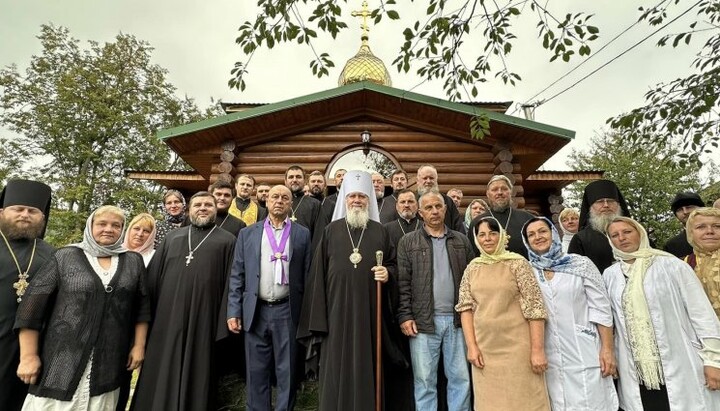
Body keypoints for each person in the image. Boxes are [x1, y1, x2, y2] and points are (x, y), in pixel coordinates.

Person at [16, 206, 149, 410]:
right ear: (90, 225)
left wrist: (138, 346)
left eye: (116, 225)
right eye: (102, 224)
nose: (109, 229)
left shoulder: (133, 261)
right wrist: (28, 356)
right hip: (61, 360)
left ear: (122, 229)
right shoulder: (65, 257)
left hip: (109, 362)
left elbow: (141, 308)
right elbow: (31, 310)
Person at [297, 170, 399, 411]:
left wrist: (388, 274)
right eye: (352, 196)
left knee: (369, 364)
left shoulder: (381, 231)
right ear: (345, 199)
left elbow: (393, 265)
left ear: (369, 201)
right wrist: (318, 320)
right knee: (335, 367)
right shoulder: (330, 231)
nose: (356, 200)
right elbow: (317, 275)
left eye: (362, 197)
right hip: (335, 315)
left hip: (369, 314)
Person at [132, 192, 236, 411]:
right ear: (189, 209)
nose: (203, 208)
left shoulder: (228, 240)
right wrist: (146, 317)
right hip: (165, 319)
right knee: (160, 367)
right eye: (198, 204)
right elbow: (152, 280)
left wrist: (222, 321)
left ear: (215, 209)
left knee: (197, 370)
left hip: (204, 318)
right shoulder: (173, 238)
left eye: (208, 204)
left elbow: (231, 283)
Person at [604, 216, 720, 410]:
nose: (621, 238)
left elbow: (702, 315)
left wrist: (713, 360)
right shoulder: (610, 275)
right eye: (614, 235)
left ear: (640, 233)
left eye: (627, 232)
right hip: (636, 367)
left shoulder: (672, 266)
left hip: (679, 360)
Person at [227, 185, 311, 411]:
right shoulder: (248, 233)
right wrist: (234, 310)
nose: (279, 201)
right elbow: (238, 274)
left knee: (288, 370)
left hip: (288, 311)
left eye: (285, 197)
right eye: (275, 196)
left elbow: (307, 274)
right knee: (256, 370)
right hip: (256, 310)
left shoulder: (302, 234)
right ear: (266, 201)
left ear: (291, 203)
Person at [521, 217, 618, 411]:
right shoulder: (526, 271)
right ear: (526, 241)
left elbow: (601, 308)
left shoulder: (581, 264)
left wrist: (607, 349)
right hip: (548, 352)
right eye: (531, 235)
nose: (538, 237)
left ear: (553, 233)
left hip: (584, 349)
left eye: (542, 231)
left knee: (592, 403)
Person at [455, 217, 550, 411]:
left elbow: (535, 308)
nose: (487, 238)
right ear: (476, 238)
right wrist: (472, 347)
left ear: (502, 236)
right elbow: (465, 309)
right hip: (485, 351)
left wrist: (537, 350)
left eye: (492, 233)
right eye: (482, 234)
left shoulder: (518, 264)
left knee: (526, 400)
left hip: (519, 350)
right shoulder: (472, 268)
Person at [397, 191, 473, 410]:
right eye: (428, 208)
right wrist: (405, 315)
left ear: (445, 209)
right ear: (420, 213)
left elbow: (471, 281)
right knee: (424, 381)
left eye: (438, 206)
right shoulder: (408, 242)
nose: (434, 211)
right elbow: (403, 282)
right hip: (423, 322)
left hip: (458, 321)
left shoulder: (460, 241)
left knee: (460, 379)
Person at [0, 179, 55, 411]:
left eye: (32, 211)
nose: (25, 215)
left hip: (29, 352)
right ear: (2, 212)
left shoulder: (52, 254)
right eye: (18, 209)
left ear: (42, 217)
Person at [568, 179, 631, 273]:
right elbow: (574, 273)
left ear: (618, 204)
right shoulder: (581, 239)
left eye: (610, 201)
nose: (606, 205)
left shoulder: (635, 231)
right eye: (600, 201)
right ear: (590, 207)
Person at [467, 175, 534, 258]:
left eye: (504, 189)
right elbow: (472, 255)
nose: (499, 192)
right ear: (488, 194)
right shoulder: (477, 222)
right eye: (494, 190)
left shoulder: (527, 219)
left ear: (511, 192)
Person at [685, 207, 720, 316]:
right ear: (691, 232)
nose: (710, 231)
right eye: (701, 227)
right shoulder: (685, 264)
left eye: (717, 226)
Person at [416, 165, 464, 233]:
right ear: (417, 181)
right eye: (425, 178)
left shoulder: (447, 201)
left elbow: (458, 227)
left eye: (431, 178)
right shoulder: (412, 201)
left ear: (436, 180)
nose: (428, 181)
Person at [664, 191, 705, 258]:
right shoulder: (672, 245)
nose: (685, 212)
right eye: (680, 209)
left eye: (689, 207)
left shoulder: (716, 233)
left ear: (702, 209)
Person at [285, 166, 322, 240]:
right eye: (291, 177)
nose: (294, 180)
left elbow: (319, 234)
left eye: (298, 177)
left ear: (305, 181)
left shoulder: (315, 204)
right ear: (285, 181)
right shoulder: (279, 202)